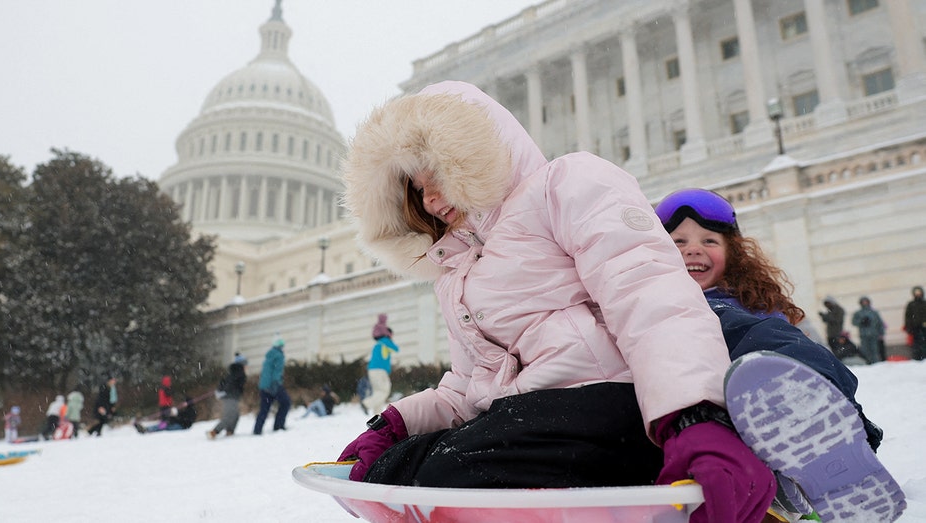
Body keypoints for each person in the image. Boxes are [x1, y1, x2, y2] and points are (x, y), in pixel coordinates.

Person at [335, 81, 776, 523]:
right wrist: (397, 423)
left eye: (435, 174)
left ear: (471, 151)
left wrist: (694, 415)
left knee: (448, 473)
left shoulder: (563, 184)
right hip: (524, 416)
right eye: (416, 188)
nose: (429, 199)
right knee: (397, 472)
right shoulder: (456, 271)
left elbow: (649, 295)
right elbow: (471, 384)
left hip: (606, 401)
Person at [655, 188, 905, 521]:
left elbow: (805, 345)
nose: (694, 250)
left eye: (709, 241)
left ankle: (837, 445)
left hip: (757, 395)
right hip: (705, 410)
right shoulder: (659, 304)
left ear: (733, 252)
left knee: (785, 347)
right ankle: (793, 477)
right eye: (679, 242)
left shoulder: (757, 306)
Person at [361, 314, 399, 415]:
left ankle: (377, 416)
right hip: (380, 370)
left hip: (372, 370)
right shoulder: (386, 341)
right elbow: (396, 348)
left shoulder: (377, 344)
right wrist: (389, 339)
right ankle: (366, 404)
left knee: (378, 392)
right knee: (384, 391)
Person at [253, 335, 290, 435]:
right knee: (286, 403)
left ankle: (257, 429)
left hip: (264, 386)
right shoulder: (279, 355)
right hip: (274, 384)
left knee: (264, 408)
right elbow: (276, 371)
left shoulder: (269, 355)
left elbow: (266, 372)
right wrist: (275, 384)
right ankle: (278, 425)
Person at [209, 353, 248, 439]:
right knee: (229, 416)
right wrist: (225, 391)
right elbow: (230, 384)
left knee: (235, 415)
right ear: (242, 365)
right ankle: (214, 431)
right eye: (245, 364)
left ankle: (230, 431)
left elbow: (225, 382)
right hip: (230, 397)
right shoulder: (239, 373)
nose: (247, 367)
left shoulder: (234, 372)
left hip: (232, 397)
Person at [852, 296, 886, 364]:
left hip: (874, 334)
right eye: (863, 302)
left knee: (874, 349)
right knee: (865, 350)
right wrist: (861, 321)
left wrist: (881, 333)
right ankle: (867, 362)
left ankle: (875, 363)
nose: (865, 303)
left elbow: (880, 323)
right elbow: (854, 322)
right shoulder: (858, 313)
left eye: (866, 301)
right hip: (863, 335)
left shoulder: (874, 312)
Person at [904, 285, 926, 361]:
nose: (918, 294)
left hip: (924, 328)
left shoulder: (924, 303)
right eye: (916, 292)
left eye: (919, 292)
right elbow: (908, 317)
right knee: (916, 344)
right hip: (915, 329)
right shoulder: (911, 304)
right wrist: (909, 328)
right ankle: (917, 358)